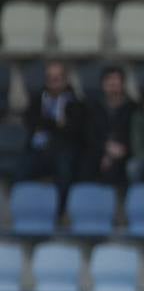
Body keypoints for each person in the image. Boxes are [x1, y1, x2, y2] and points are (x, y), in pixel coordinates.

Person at [21, 62, 84, 197]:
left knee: (64, 169)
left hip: (63, 148)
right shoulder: (37, 100)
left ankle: (61, 211)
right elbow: (30, 121)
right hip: (37, 148)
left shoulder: (75, 103)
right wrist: (57, 124)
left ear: (65, 79)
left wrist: (46, 124)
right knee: (21, 170)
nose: (53, 81)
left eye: (57, 78)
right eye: (50, 78)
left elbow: (73, 130)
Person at [82, 66, 134, 186]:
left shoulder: (133, 108)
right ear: (102, 84)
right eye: (109, 80)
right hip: (99, 149)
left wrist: (119, 150)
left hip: (124, 151)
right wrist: (105, 148)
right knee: (85, 165)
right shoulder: (93, 107)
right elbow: (89, 134)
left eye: (116, 80)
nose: (112, 84)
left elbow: (134, 134)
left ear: (123, 83)